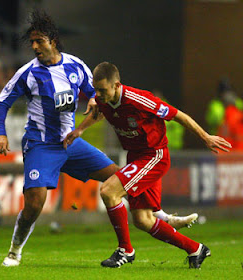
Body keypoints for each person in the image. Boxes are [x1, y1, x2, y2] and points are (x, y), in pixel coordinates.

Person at [0, 10, 196, 267]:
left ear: (53, 41)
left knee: (118, 179)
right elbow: (2, 102)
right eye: (32, 42)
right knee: (35, 203)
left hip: (71, 143)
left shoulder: (75, 66)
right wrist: (0, 133)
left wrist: (91, 98)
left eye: (39, 41)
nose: (34, 47)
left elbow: (92, 91)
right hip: (41, 144)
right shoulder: (28, 74)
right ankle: (14, 250)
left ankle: (157, 214)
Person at [64, 62, 231, 269]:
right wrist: (80, 130)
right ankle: (196, 249)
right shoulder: (104, 99)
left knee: (108, 191)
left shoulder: (138, 99)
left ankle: (125, 250)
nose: (98, 94)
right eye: (96, 89)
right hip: (135, 157)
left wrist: (205, 137)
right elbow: (99, 112)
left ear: (117, 85)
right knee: (142, 220)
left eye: (102, 90)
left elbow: (178, 115)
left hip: (154, 156)